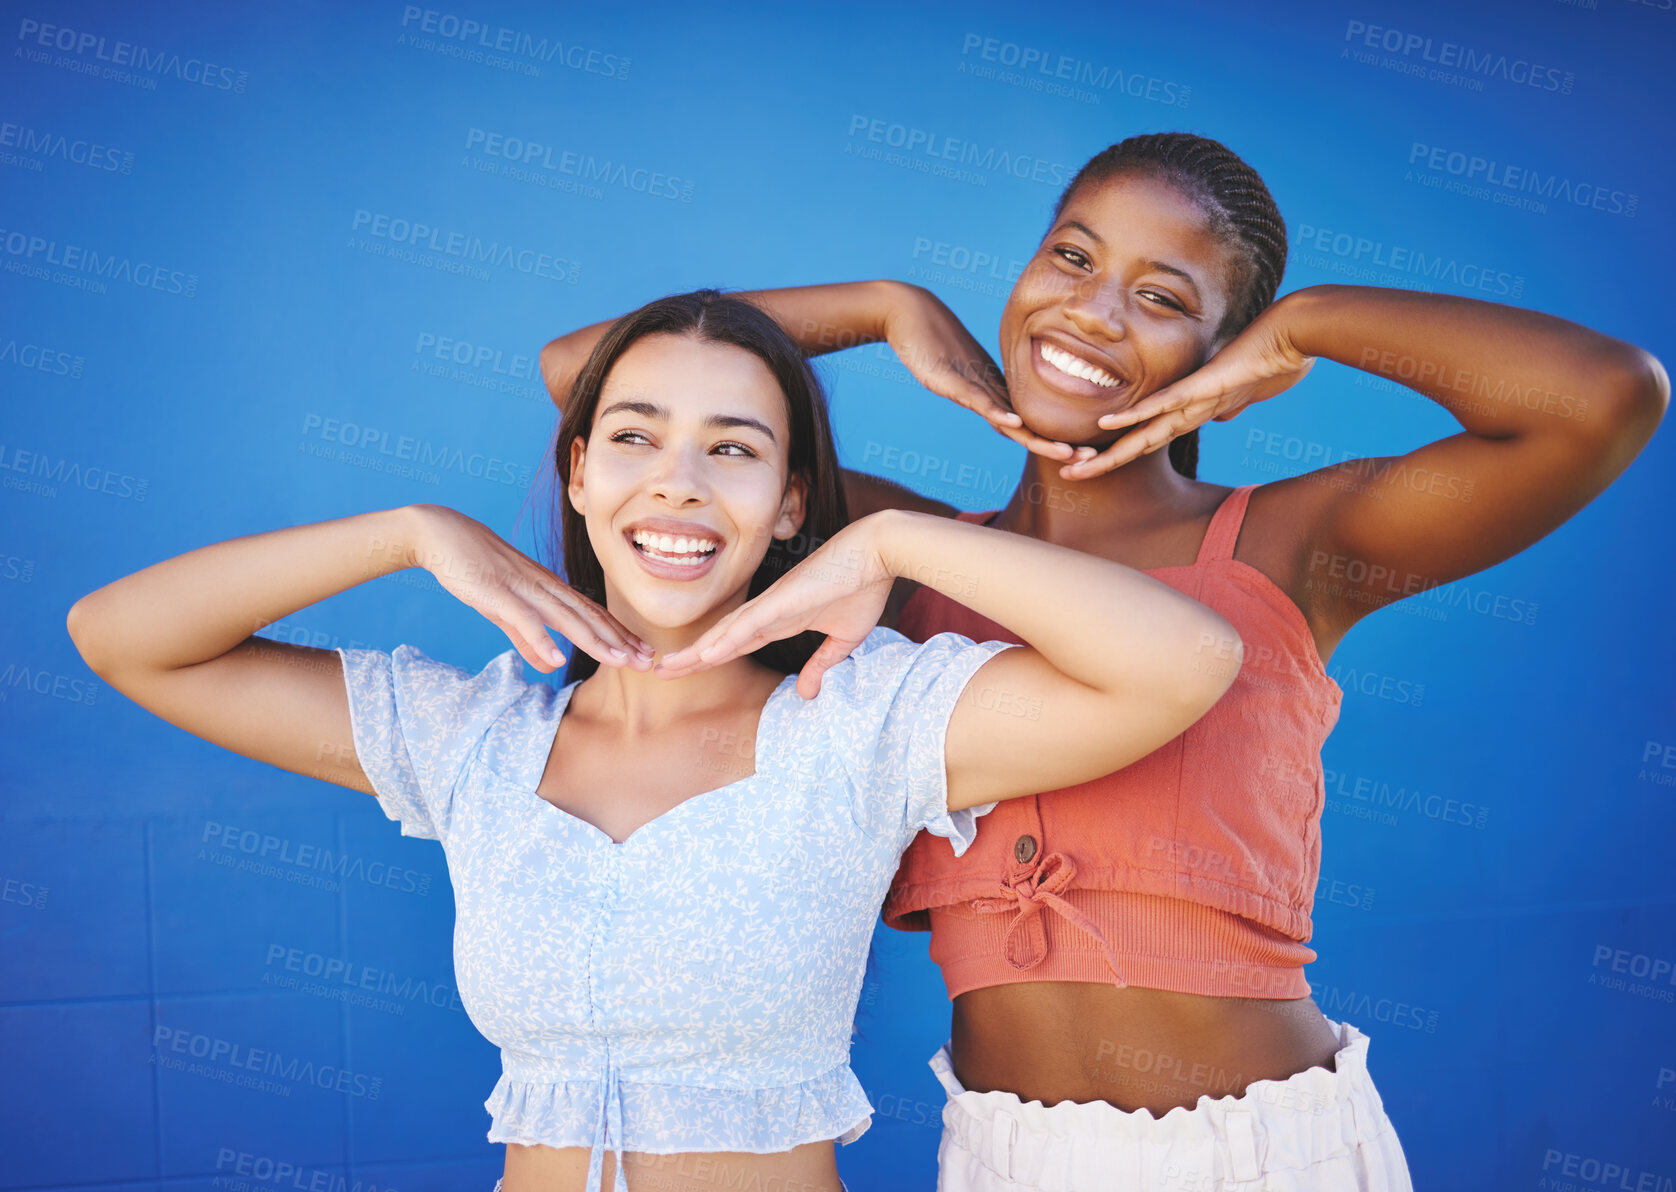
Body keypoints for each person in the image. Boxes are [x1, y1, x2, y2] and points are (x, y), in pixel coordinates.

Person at [537, 136, 1669, 1190]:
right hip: (998, 1150)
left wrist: (1309, 325)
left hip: (1265, 1148)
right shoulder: (899, 550)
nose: (1090, 309)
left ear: (1224, 354)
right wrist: (887, 307)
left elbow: (1600, 398)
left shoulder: (1295, 544)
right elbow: (585, 372)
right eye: (1070, 255)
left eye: (1163, 297)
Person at [66, 290, 1247, 1192]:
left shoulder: (861, 721)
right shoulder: (470, 733)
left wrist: (892, 544)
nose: (677, 484)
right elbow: (123, 635)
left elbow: (1184, 661)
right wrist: (408, 532)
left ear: (792, 505)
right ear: (579, 475)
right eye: (632, 438)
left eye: (733, 448)